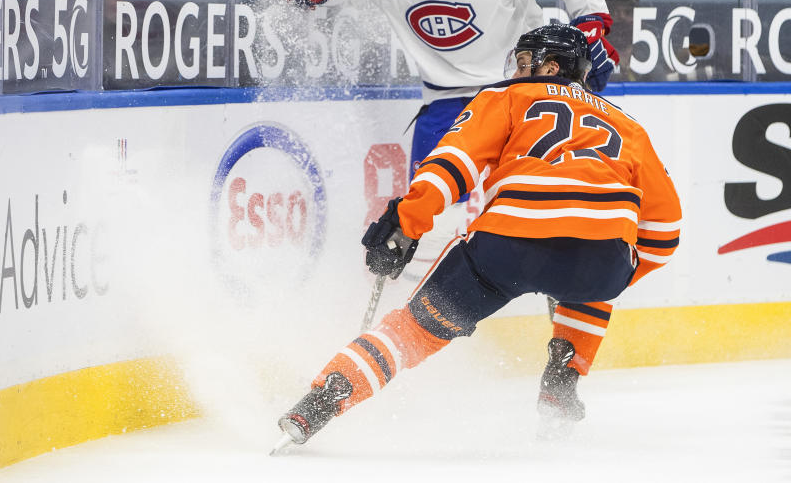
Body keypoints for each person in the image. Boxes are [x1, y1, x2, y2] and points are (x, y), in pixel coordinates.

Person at [283, 0, 621, 412]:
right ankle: (393, 348)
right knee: (420, 224)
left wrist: (589, 26)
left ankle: (565, 361)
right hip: (445, 100)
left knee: (561, 218)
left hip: (523, 93)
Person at [272, 24, 682, 452]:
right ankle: (562, 380)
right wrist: (616, 273)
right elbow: (666, 231)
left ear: (552, 66)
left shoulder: (505, 97)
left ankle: (319, 403)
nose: (519, 72)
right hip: (601, 265)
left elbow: (453, 165)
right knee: (595, 256)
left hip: (506, 248)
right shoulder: (629, 127)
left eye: (526, 64)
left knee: (414, 331)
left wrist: (404, 226)